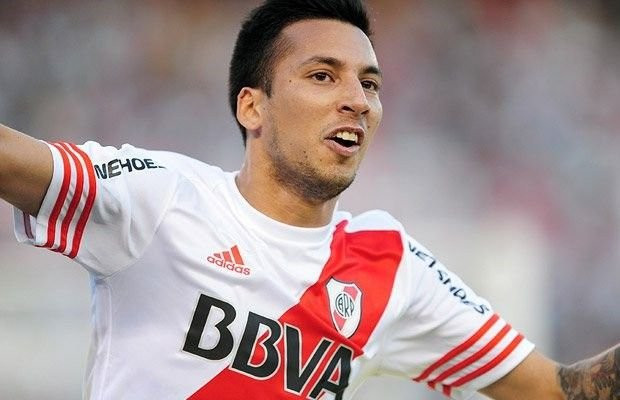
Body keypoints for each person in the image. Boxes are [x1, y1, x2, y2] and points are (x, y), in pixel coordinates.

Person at [0, 0, 618, 399]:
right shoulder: (160, 197)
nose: (357, 100)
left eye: (370, 84)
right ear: (252, 106)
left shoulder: (391, 266)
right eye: (323, 76)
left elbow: (559, 390)